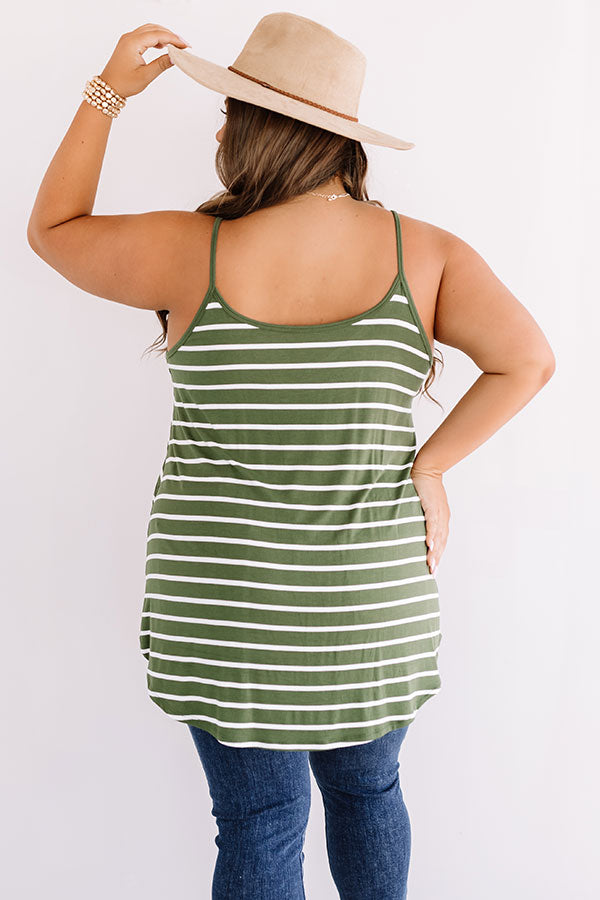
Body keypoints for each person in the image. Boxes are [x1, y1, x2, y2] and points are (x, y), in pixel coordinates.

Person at [26, 14, 555, 900]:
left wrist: (108, 91)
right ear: (340, 140)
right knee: (370, 792)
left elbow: (54, 228)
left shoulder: (188, 249)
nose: (219, 136)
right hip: (368, 605)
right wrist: (430, 469)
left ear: (256, 130)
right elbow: (528, 361)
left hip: (228, 611)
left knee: (260, 823)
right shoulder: (424, 254)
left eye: (228, 116)